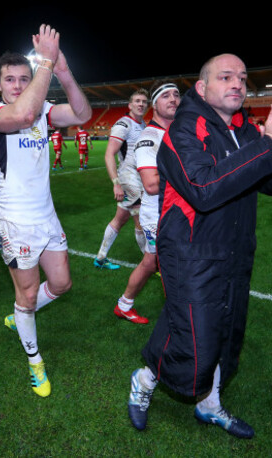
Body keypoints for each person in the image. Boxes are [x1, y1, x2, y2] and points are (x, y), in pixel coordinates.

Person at [127, 54, 272, 439]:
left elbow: (269, 184)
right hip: (191, 251)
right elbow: (204, 190)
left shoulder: (244, 131)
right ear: (202, 87)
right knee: (198, 343)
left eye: (242, 78)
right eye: (225, 76)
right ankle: (143, 381)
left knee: (222, 331)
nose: (237, 83)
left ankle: (209, 406)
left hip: (235, 248)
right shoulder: (182, 131)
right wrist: (269, 145)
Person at [0, 24, 92, 397]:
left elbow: (81, 115)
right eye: (10, 79)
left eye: (23, 79)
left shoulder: (42, 108)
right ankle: (34, 361)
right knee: (27, 296)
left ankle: (21, 317)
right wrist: (44, 60)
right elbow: (24, 116)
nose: (16, 85)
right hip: (15, 223)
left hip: (46, 217)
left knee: (61, 284)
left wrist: (62, 70)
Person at [114, 81, 180, 324]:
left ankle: (124, 304)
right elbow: (151, 185)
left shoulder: (173, 132)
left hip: (172, 210)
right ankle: (180, 319)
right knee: (170, 265)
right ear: (154, 104)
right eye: (166, 96)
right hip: (158, 215)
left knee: (151, 262)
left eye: (176, 95)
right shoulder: (150, 136)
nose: (173, 99)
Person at [93, 89, 149, 269]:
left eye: (144, 102)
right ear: (130, 105)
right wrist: (116, 183)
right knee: (141, 218)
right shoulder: (123, 124)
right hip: (128, 178)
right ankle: (150, 264)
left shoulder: (143, 125)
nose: (141, 104)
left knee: (120, 219)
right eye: (137, 101)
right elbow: (109, 154)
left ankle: (100, 258)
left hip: (139, 178)